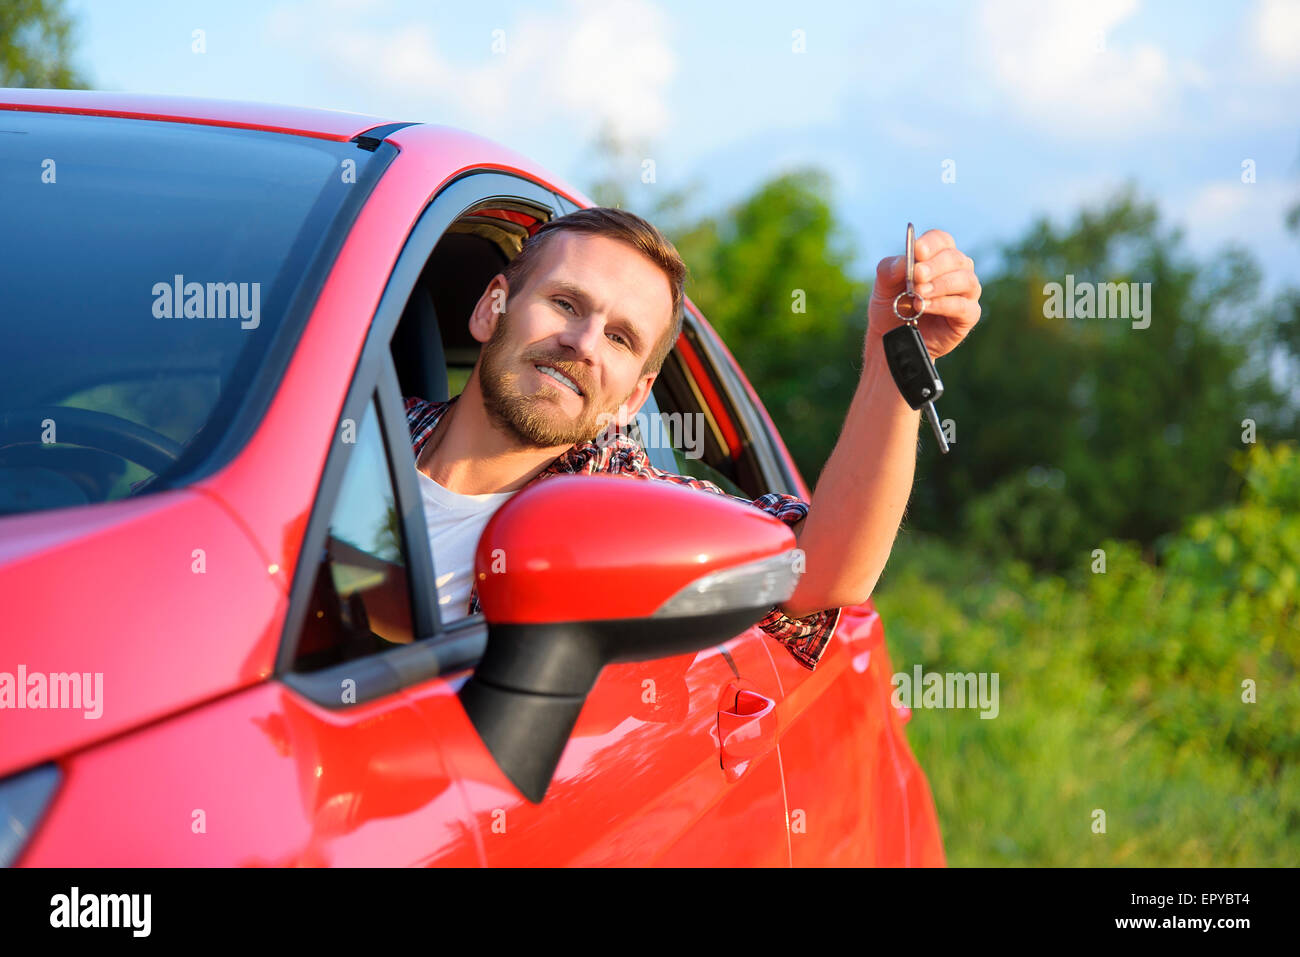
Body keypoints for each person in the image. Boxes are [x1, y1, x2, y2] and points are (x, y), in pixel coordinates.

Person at [387, 207, 981, 671]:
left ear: (633, 398)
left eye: (620, 338)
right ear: (492, 309)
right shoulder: (343, 438)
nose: (584, 343)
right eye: (565, 303)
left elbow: (818, 570)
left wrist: (894, 358)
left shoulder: (613, 505)